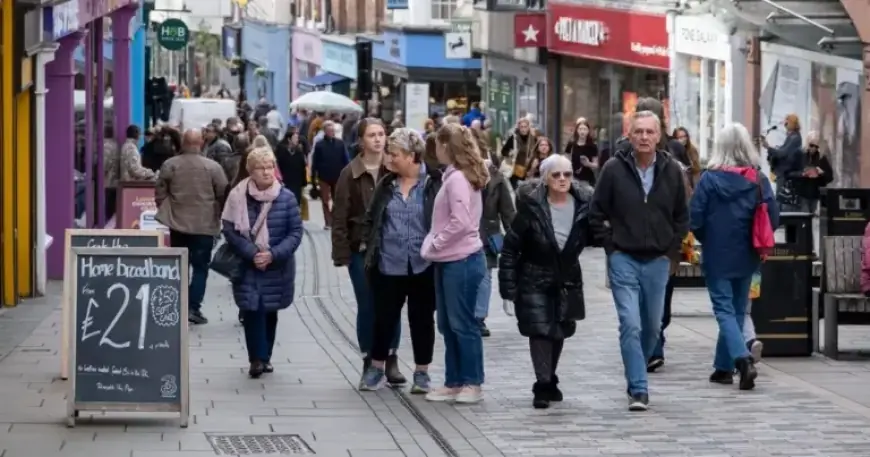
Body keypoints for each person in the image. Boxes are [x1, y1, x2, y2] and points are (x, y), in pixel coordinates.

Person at [589, 110, 689, 411]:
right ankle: (638, 388)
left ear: (659, 137)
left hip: (658, 260)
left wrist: (669, 249)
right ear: (629, 136)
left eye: (649, 132)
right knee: (630, 324)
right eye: (639, 132)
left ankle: (637, 368)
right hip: (624, 258)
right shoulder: (613, 169)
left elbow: (681, 217)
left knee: (652, 327)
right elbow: (596, 213)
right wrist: (611, 246)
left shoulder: (672, 170)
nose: (644, 137)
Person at [690, 123, 779, 390]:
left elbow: (695, 219)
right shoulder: (759, 179)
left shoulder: (709, 179)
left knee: (724, 312)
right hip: (748, 254)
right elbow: (773, 218)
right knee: (737, 312)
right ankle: (723, 368)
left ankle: (742, 361)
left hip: (717, 255)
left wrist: (708, 239)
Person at [499, 155, 593, 409]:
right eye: (556, 175)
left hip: (566, 278)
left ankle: (549, 378)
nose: (562, 179)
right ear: (545, 178)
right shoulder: (531, 207)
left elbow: (597, 233)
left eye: (567, 174)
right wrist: (508, 290)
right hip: (533, 275)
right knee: (540, 330)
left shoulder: (584, 205)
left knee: (559, 329)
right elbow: (510, 249)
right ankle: (542, 385)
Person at [358, 128, 441, 393]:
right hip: (388, 263)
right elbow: (371, 218)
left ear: (411, 156)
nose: (389, 159)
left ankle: (422, 373)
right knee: (383, 318)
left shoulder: (433, 184)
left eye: (394, 154)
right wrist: (368, 247)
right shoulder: (386, 185)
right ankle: (376, 368)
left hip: (423, 264)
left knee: (422, 319)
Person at [332, 118, 405, 388]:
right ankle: (368, 359)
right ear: (361, 140)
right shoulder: (349, 173)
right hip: (361, 249)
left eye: (381, 134)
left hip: (393, 248)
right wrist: (342, 254)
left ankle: (391, 358)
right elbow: (339, 216)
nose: (377, 139)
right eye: (371, 135)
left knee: (393, 305)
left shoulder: (396, 169)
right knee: (368, 305)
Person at [221, 146, 303, 377]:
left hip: (277, 264)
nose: (267, 172)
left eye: (270, 167)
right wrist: (251, 252)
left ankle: (265, 356)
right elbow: (228, 229)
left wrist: (273, 254)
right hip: (248, 264)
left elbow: (295, 232)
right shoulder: (237, 196)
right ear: (250, 171)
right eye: (261, 168)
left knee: (269, 310)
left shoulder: (286, 198)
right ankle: (256, 359)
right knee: (251, 309)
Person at [422, 123, 488, 404]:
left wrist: (436, 243)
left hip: (461, 259)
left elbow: (460, 222)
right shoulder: (454, 176)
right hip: (450, 260)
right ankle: (454, 380)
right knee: (448, 324)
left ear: (447, 146)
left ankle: (472, 382)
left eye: (437, 144)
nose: (434, 149)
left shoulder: (459, 179)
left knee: (462, 324)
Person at [155, 129, 229, 325]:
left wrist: (165, 210)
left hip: (177, 223)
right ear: (201, 142)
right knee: (200, 268)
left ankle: (177, 305)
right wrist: (219, 214)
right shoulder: (213, 168)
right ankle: (193, 308)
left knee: (180, 266)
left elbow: (160, 191)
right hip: (204, 225)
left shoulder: (170, 165)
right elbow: (223, 192)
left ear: (183, 143)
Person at [472, 130, 514, 337]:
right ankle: (468, 315)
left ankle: (479, 318)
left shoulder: (497, 180)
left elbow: (508, 212)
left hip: (488, 234)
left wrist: (515, 239)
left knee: (485, 277)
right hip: (466, 233)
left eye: (486, 156)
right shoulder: (461, 176)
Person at [761, 114, 804, 212]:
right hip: (783, 173)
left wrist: (769, 148)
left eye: (786, 122)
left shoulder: (795, 138)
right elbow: (783, 151)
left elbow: (784, 153)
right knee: (780, 198)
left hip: (787, 173)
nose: (784, 124)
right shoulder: (791, 137)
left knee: (782, 199)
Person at [311, 120, 350, 229]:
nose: (331, 132)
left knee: (337, 199)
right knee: (325, 200)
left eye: (332, 130)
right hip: (324, 176)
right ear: (324, 131)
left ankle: (333, 218)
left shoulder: (340, 143)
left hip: (337, 175)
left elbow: (345, 159)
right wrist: (313, 176)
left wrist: (348, 172)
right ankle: (328, 222)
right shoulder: (319, 145)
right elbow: (315, 161)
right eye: (329, 130)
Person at [793, 131, 834, 214]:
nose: (813, 148)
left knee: (812, 218)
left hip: (816, 194)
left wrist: (822, 173)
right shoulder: (800, 156)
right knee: (805, 218)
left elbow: (830, 177)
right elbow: (791, 173)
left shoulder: (821, 158)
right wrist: (802, 174)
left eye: (816, 146)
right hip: (802, 193)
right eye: (811, 145)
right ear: (807, 143)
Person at [500, 118, 537, 189]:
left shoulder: (533, 139)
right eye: (521, 127)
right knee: (516, 192)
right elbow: (503, 151)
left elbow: (536, 152)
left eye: (525, 127)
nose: (523, 129)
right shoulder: (514, 138)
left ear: (528, 127)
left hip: (529, 171)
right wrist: (510, 153)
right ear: (518, 128)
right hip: (515, 171)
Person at [275, 128, 308, 205]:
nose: (297, 140)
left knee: (296, 204)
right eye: (295, 138)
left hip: (297, 183)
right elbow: (278, 167)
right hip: (285, 183)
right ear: (289, 139)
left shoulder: (299, 153)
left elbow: (302, 168)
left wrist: (304, 182)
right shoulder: (281, 152)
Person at [566, 119, 599, 186]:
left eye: (585, 129)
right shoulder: (571, 144)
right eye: (580, 129)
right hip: (573, 178)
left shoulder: (592, 146)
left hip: (587, 179)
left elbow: (596, 165)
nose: (582, 131)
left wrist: (588, 163)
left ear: (588, 131)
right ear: (577, 130)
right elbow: (566, 160)